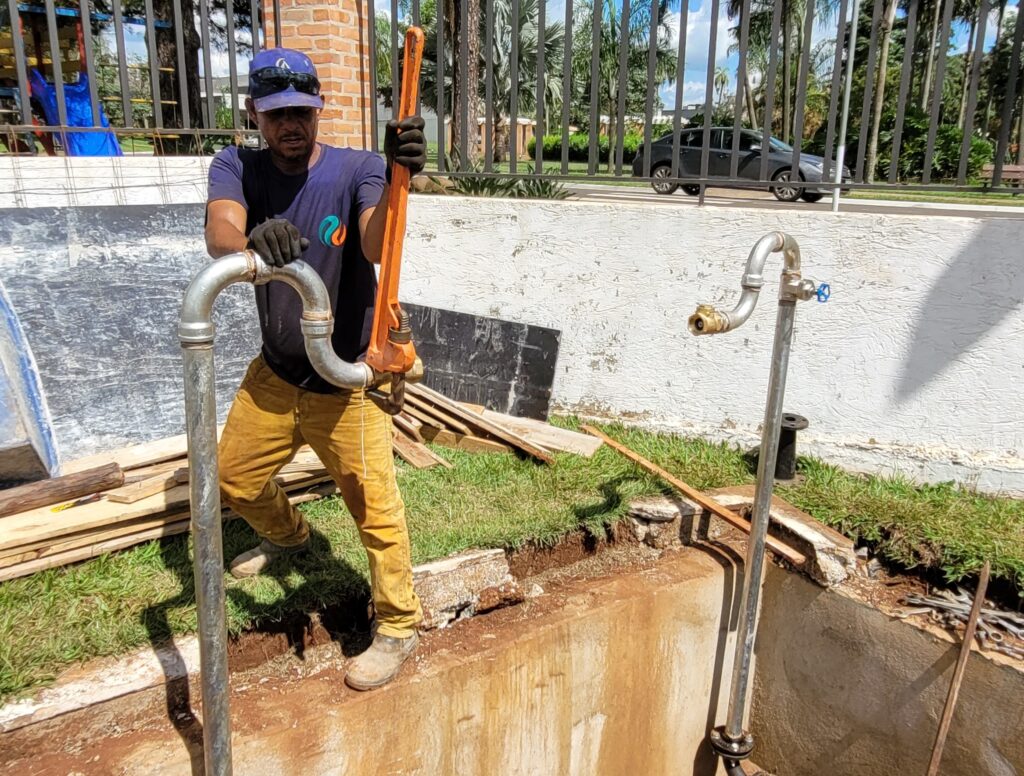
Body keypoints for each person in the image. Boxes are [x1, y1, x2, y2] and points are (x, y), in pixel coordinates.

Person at [204, 47, 427, 691]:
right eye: (276, 115)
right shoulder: (236, 165)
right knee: (235, 478)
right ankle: (293, 536)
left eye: (301, 111)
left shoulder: (357, 169)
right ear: (255, 114)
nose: (290, 125)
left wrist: (397, 176)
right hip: (275, 374)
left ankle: (398, 625)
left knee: (375, 510)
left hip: (347, 376)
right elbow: (220, 228)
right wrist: (249, 241)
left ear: (319, 108)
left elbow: (374, 237)